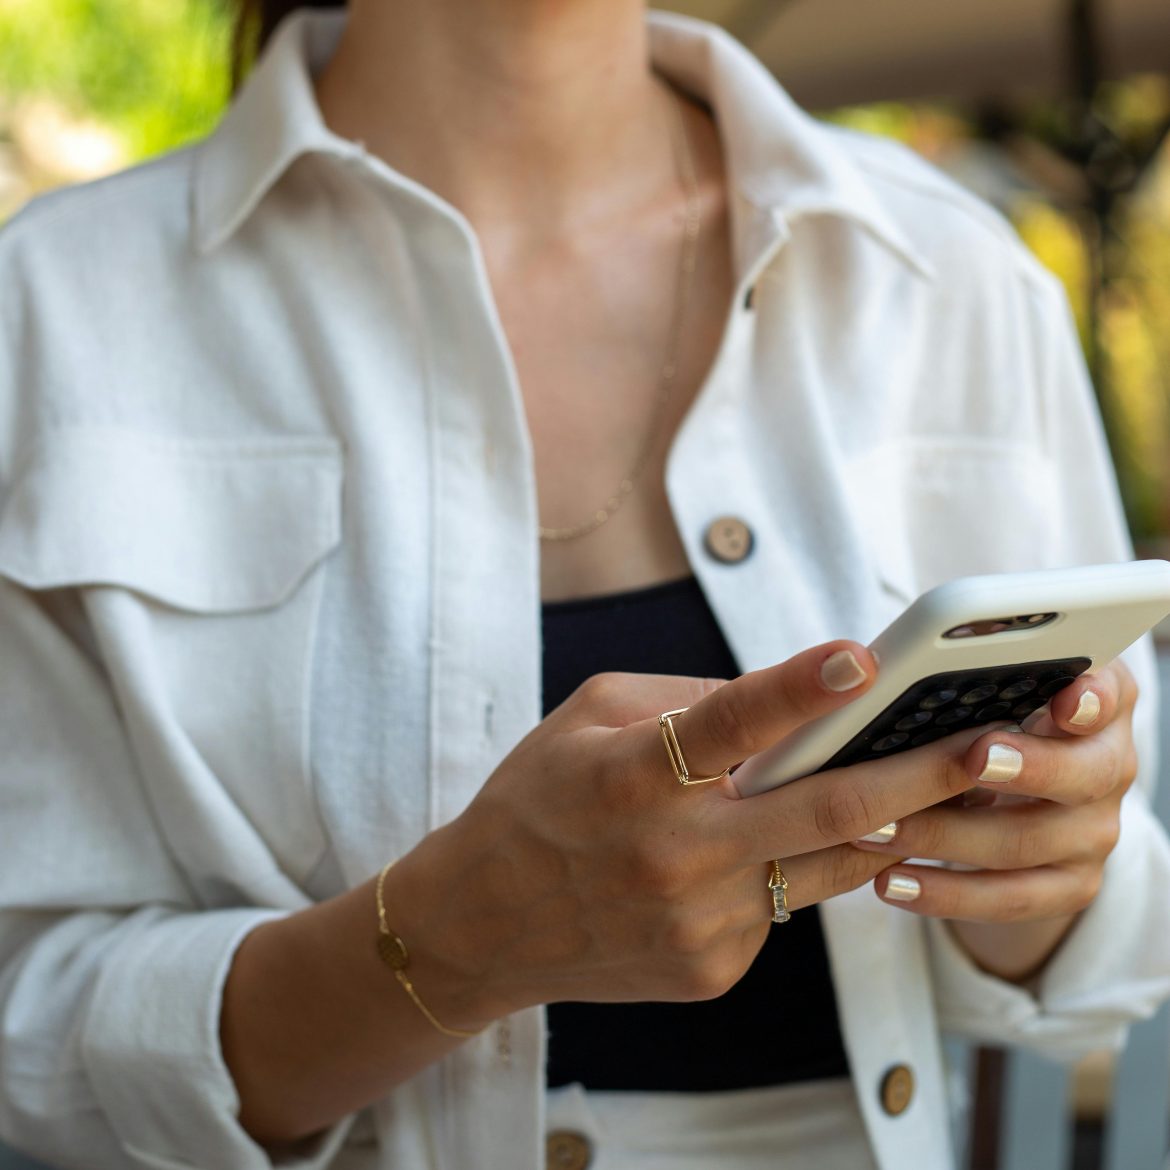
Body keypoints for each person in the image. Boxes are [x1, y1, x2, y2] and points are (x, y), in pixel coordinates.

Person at [1, 2, 1169, 1168]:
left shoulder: (946, 275)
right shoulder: (53, 314)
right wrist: (450, 948)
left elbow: (1102, 959)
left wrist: (1038, 849)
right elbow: (28, 1044)